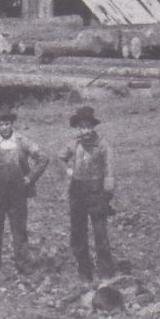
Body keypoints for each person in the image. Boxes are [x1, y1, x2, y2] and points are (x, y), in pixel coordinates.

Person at [0, 110, 48, 275]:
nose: (4, 128)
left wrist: (30, 178)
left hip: (18, 193)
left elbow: (43, 158)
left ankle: (23, 263)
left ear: (12, 124)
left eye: (7, 124)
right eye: (1, 125)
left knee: (19, 229)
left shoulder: (22, 142)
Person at [63, 106, 120, 283]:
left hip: (96, 193)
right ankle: (84, 271)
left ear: (93, 127)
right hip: (77, 191)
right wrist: (68, 171)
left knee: (100, 234)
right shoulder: (74, 143)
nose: (85, 131)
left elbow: (109, 171)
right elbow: (59, 157)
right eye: (81, 127)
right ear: (77, 128)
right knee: (78, 233)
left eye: (88, 127)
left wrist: (107, 193)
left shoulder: (102, 145)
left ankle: (105, 272)